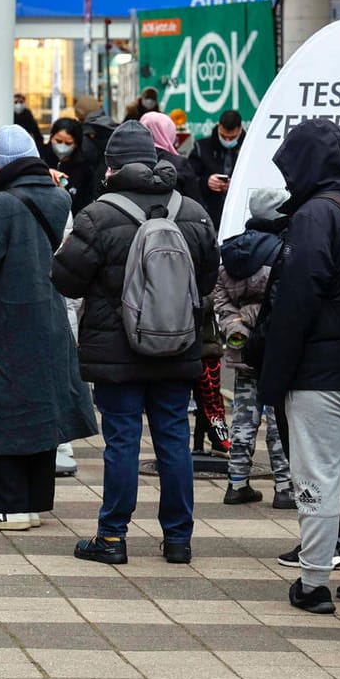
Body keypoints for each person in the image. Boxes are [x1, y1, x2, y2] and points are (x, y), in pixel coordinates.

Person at [52, 120, 219, 565]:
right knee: (173, 440)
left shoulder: (98, 215)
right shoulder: (192, 211)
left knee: (122, 442)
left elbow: (65, 279)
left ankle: (112, 538)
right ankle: (179, 540)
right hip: (178, 344)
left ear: (111, 167)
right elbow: (207, 277)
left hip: (117, 351)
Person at [258, 119, 340, 614]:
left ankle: (313, 580)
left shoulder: (314, 216)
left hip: (317, 371)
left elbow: (296, 300)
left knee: (315, 475)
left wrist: (274, 376)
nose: (288, 179)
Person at [0, 128, 97, 529]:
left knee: (2, 405)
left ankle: (6, 505)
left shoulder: (2, 204)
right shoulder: (58, 197)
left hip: (7, 317)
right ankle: (34, 501)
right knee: (38, 406)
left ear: (0, 164)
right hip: (48, 312)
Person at [146, 112, 224, 455]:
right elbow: (207, 250)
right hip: (190, 288)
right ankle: (204, 436)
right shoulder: (185, 172)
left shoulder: (129, 177)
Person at [214, 185, 293, 510]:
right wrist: (253, 318)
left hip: (240, 348)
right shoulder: (282, 251)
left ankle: (237, 482)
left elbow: (219, 297)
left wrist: (236, 324)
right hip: (273, 349)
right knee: (278, 418)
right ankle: (285, 486)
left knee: (244, 416)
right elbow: (277, 301)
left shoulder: (232, 250)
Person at [188, 110, 244, 225]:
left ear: (240, 129)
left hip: (240, 213)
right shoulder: (201, 147)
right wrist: (206, 182)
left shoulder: (249, 148)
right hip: (209, 214)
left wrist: (237, 185)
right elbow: (189, 178)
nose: (228, 140)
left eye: (232, 137)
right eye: (223, 136)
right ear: (219, 126)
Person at [46, 117, 96, 213]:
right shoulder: (41, 158)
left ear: (76, 144)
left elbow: (85, 201)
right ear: (51, 137)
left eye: (68, 143)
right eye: (58, 141)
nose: (62, 147)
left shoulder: (85, 169)